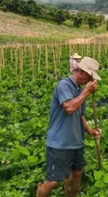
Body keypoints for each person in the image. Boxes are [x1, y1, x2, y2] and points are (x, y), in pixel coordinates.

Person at [37, 57, 102, 197]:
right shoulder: (64, 85)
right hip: (60, 143)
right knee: (53, 181)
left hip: (75, 141)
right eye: (90, 76)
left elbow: (80, 114)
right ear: (83, 72)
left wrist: (89, 130)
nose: (90, 80)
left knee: (77, 172)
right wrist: (86, 92)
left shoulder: (79, 89)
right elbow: (69, 107)